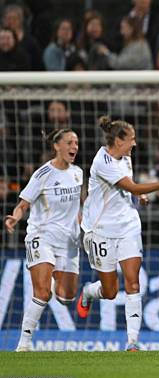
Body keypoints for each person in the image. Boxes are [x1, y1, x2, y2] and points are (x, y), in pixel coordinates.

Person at [77, 116, 159, 351]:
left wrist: (138, 195)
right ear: (118, 141)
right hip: (101, 231)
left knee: (133, 282)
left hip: (128, 225)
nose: (135, 144)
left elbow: (130, 186)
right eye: (131, 139)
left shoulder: (125, 157)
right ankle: (88, 291)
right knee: (110, 291)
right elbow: (132, 186)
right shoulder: (102, 161)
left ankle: (132, 341)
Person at [5, 128, 82, 351]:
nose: (74, 147)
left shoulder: (78, 173)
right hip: (42, 236)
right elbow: (23, 204)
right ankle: (24, 342)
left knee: (66, 297)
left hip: (68, 242)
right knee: (42, 292)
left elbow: (78, 207)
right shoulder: (42, 174)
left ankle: (61, 278)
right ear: (57, 146)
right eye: (69, 143)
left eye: (76, 143)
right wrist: (14, 219)